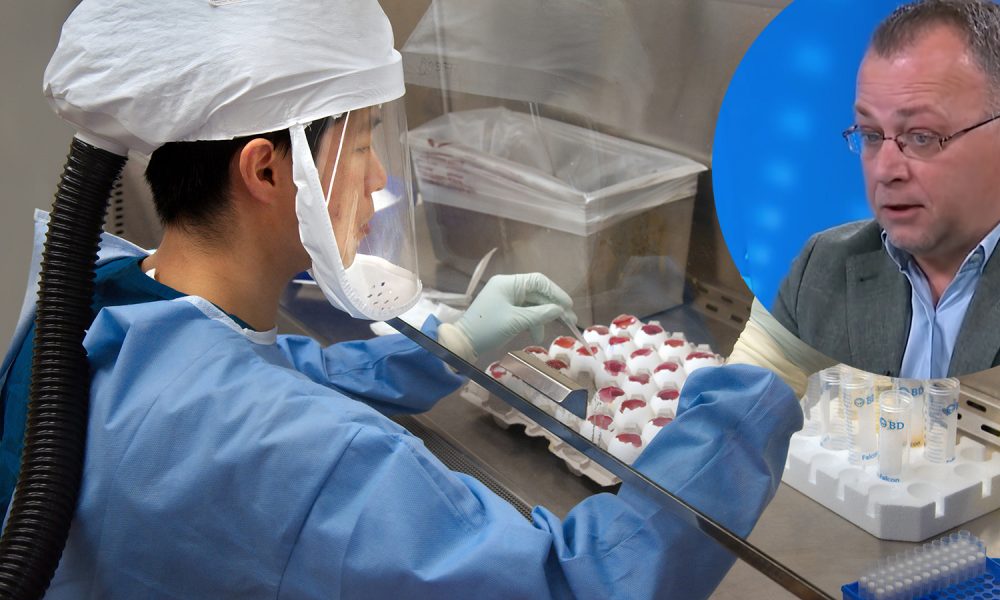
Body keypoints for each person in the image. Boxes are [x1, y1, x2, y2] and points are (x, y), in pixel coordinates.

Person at [1, 1, 802, 597]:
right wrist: (764, 380)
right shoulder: (308, 455)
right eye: (364, 141)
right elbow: (576, 584)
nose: (380, 176)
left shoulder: (98, 302)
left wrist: (448, 351)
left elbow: (264, 376)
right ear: (268, 170)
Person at [769, 0, 1000, 380]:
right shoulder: (822, 266)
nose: (884, 170)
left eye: (922, 136)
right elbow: (758, 395)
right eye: (872, 135)